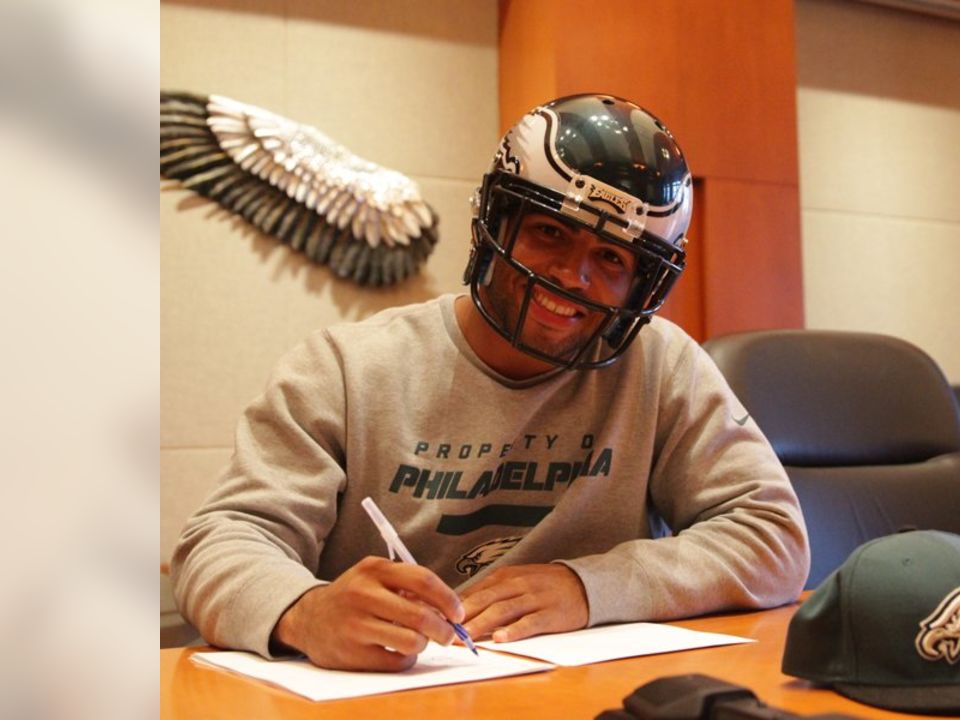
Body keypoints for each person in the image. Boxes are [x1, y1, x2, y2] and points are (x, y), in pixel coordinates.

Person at [171, 93, 810, 672]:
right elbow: (221, 541)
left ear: (642, 285)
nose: (573, 276)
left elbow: (772, 537)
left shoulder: (661, 365)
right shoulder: (343, 369)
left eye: (611, 259)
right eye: (549, 233)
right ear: (496, 226)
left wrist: (591, 588)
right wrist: (304, 612)